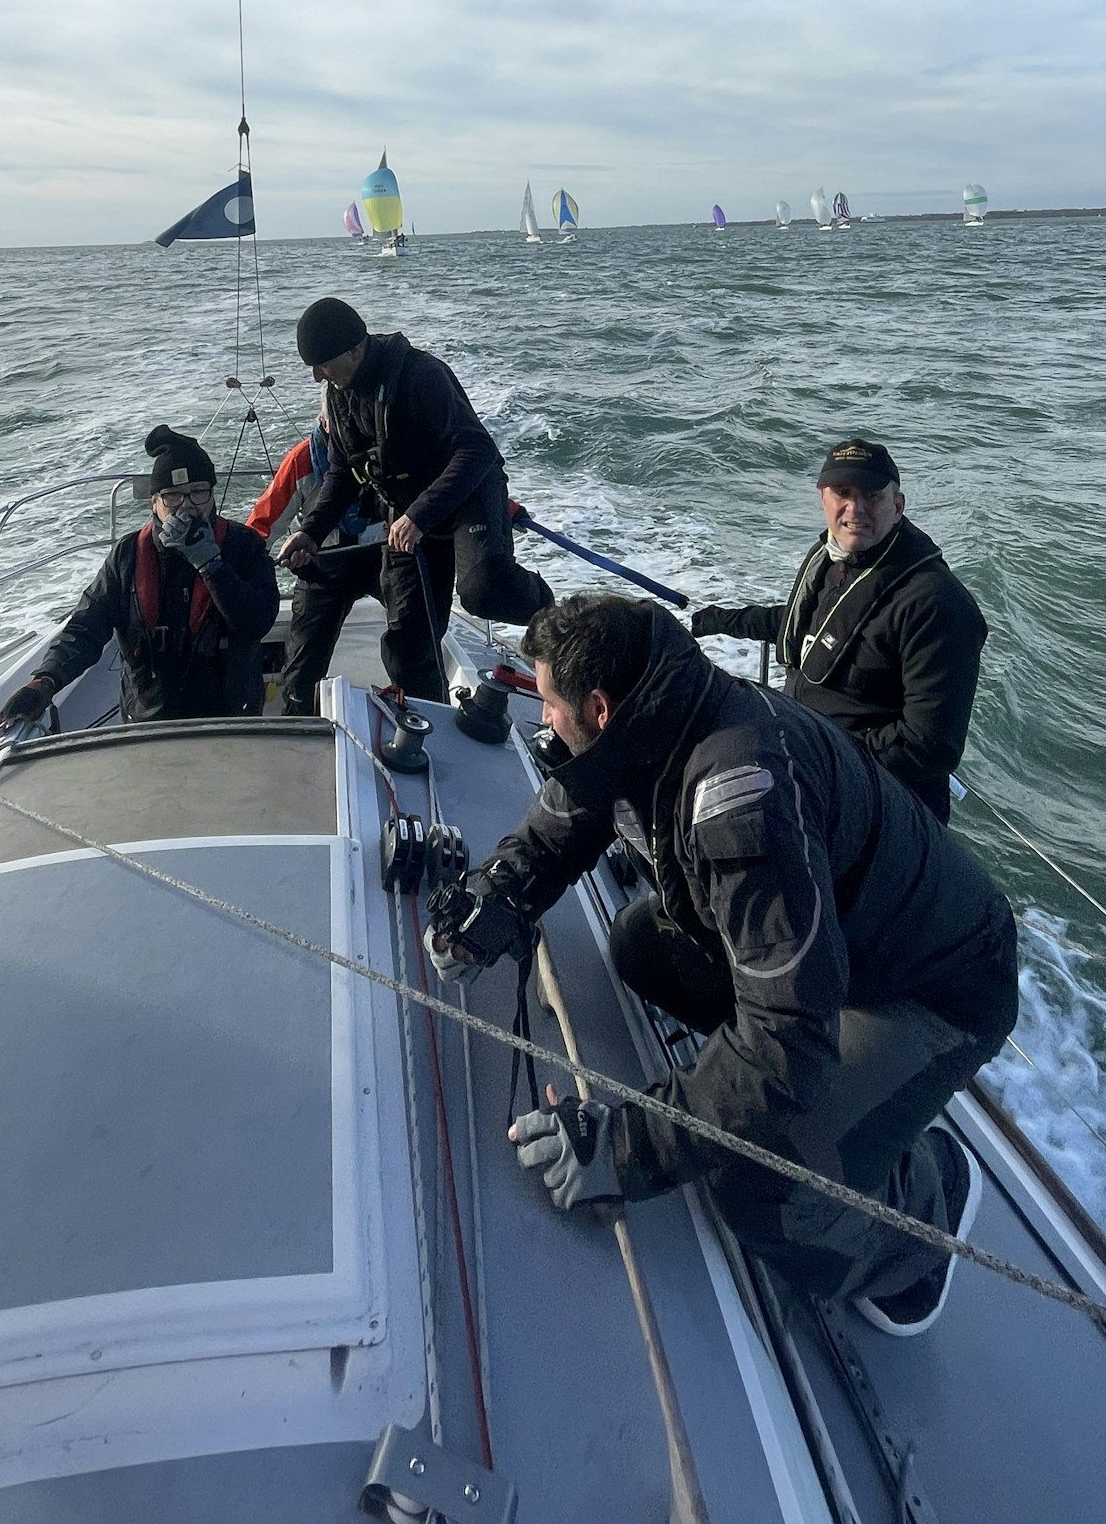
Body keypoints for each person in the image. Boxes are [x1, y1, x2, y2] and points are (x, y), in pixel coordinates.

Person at [433, 594, 1017, 1337]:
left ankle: (922, 1201)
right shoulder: (653, 714)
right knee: (640, 945)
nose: (544, 719)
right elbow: (559, 830)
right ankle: (823, 1100)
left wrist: (626, 1145)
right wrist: (489, 907)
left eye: (549, 704)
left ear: (601, 708)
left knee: (756, 1184)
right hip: (831, 949)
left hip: (934, 988)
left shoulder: (740, 800)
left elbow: (787, 1040)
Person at [688, 436, 986, 825]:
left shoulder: (937, 605)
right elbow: (813, 628)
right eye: (842, 494)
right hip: (802, 749)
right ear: (823, 499)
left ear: (898, 507)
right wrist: (713, 621)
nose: (855, 509)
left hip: (876, 803)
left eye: (871, 497)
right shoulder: (838, 559)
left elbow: (927, 749)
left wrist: (814, 752)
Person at [277, 298, 552, 702]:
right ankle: (430, 723)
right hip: (407, 512)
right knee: (408, 643)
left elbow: (476, 451)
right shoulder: (340, 395)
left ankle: (554, 617)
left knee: (482, 591)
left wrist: (421, 515)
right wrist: (311, 533)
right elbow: (342, 475)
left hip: (468, 495)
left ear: (356, 349)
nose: (318, 376)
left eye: (322, 364)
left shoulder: (422, 375)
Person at [0, 427, 279, 728]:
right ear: (154, 502)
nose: (187, 506)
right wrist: (46, 680)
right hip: (148, 722)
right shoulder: (128, 555)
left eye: (199, 492)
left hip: (230, 719)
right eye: (172, 496)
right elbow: (87, 627)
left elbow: (256, 623)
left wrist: (212, 565)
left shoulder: (243, 545)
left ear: (211, 495)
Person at [246, 402, 386, 717]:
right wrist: (241, 567)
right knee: (302, 665)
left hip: (382, 557)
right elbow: (262, 524)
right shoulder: (302, 459)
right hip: (323, 565)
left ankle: (419, 704)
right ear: (324, 419)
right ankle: (298, 721)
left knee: (415, 634)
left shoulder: (387, 448)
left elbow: (435, 483)